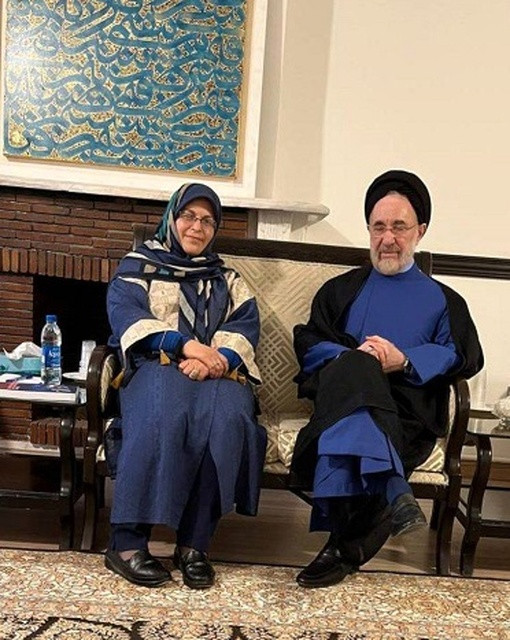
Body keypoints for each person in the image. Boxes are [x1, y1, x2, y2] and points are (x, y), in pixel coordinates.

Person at [290, 169, 483, 588]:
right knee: (357, 367)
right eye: (379, 227)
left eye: (399, 227)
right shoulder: (340, 290)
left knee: (364, 408)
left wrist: (404, 360)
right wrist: (356, 359)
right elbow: (309, 343)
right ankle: (391, 492)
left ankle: (343, 544)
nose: (388, 238)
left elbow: (462, 355)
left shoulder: (445, 300)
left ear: (420, 231)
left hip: (406, 412)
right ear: (369, 231)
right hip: (341, 401)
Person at [104, 183, 266, 589]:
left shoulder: (227, 278)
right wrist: (186, 346)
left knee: (228, 419)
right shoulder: (137, 267)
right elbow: (126, 316)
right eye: (189, 216)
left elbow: (246, 324)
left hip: (216, 373)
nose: (197, 227)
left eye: (208, 220)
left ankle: (194, 546)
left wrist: (214, 361)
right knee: (161, 412)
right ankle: (126, 544)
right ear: (172, 218)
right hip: (155, 366)